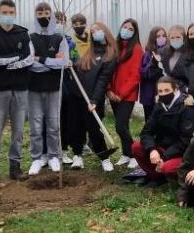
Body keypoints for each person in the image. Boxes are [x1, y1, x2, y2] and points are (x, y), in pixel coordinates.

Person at [0, 0, 35, 185]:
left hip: (20, 90)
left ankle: (15, 166)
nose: (8, 16)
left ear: (15, 13)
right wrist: (14, 59)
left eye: (11, 12)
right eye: (4, 13)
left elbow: (29, 58)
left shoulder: (24, 34)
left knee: (18, 131)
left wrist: (6, 61)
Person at [68, 22, 118, 171]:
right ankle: (77, 155)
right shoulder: (91, 52)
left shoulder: (110, 54)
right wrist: (72, 65)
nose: (95, 33)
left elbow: (103, 80)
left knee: (94, 128)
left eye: (98, 30)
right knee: (76, 126)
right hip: (77, 95)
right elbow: (80, 68)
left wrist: (95, 100)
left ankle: (104, 157)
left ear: (105, 32)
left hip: (92, 99)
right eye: (93, 31)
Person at [131, 76, 194, 187]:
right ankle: (156, 177)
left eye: (167, 90)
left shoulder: (187, 109)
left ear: (175, 90)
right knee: (136, 147)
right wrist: (152, 149)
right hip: (161, 147)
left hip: (180, 153)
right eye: (160, 91)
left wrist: (165, 157)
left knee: (168, 168)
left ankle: (176, 176)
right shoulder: (159, 107)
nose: (163, 94)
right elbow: (146, 131)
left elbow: (186, 141)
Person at [27, 3, 70, 175]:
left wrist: (42, 59)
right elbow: (29, 63)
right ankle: (37, 157)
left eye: (46, 13)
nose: (43, 16)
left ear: (51, 15)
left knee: (53, 124)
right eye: (39, 13)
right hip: (34, 88)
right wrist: (50, 63)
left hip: (54, 88)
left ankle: (53, 156)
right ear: (35, 15)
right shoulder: (30, 38)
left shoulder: (59, 39)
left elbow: (63, 62)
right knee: (36, 125)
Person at [108, 19, 143, 169]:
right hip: (113, 94)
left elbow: (135, 75)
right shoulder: (114, 47)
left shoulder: (136, 49)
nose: (127, 30)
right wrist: (109, 90)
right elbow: (108, 70)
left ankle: (136, 154)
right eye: (125, 27)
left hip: (126, 95)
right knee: (123, 126)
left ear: (135, 33)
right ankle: (126, 154)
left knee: (120, 126)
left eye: (130, 29)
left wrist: (121, 94)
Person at [54, 11, 78, 165]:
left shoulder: (71, 42)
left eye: (61, 21)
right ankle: (49, 153)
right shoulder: (46, 40)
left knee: (66, 118)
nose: (59, 24)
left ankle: (63, 150)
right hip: (51, 85)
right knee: (52, 120)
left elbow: (76, 60)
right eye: (55, 21)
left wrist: (72, 63)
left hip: (68, 86)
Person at [139, 26, 167, 123]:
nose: (161, 38)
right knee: (150, 121)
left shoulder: (168, 52)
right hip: (149, 95)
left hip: (164, 94)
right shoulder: (147, 54)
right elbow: (143, 73)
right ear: (153, 38)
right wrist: (154, 63)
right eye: (158, 36)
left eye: (164, 36)